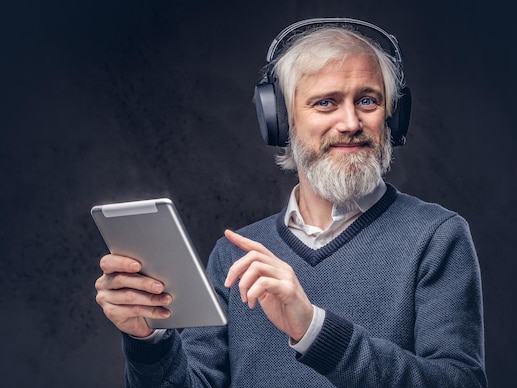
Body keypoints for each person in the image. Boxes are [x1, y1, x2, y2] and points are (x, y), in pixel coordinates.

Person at [95, 18, 487, 387]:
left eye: (367, 100)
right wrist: (148, 340)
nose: (350, 122)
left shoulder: (437, 237)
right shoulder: (234, 258)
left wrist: (314, 329)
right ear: (280, 120)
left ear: (393, 116)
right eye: (325, 103)